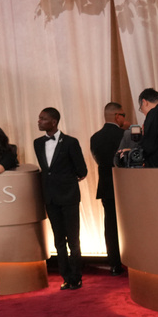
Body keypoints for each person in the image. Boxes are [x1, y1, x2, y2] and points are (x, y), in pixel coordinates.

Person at [34, 107, 88, 290]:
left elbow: (82, 170)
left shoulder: (70, 142)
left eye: (43, 119)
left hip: (69, 196)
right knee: (58, 239)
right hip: (50, 197)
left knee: (73, 239)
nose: (39, 121)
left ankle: (76, 277)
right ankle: (66, 276)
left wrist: (68, 180)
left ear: (53, 122)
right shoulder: (37, 143)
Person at [90, 102, 126, 275]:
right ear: (117, 116)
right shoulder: (124, 135)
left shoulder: (95, 137)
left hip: (106, 186)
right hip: (125, 186)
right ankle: (133, 261)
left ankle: (114, 264)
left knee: (110, 225)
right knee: (129, 225)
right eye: (124, 116)